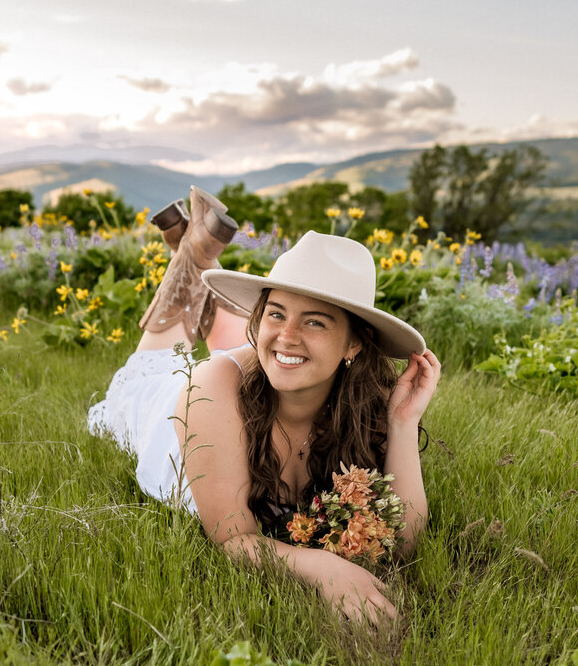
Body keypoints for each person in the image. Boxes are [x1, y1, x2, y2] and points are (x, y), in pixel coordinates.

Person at [88, 186, 441, 624]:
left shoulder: (366, 401)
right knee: (156, 361)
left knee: (276, 353)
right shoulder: (211, 384)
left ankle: (194, 250)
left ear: (353, 343)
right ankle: (192, 258)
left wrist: (403, 423)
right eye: (275, 312)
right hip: (168, 411)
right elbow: (233, 539)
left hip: (261, 372)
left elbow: (403, 541)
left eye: (315, 321)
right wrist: (323, 567)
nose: (288, 333)